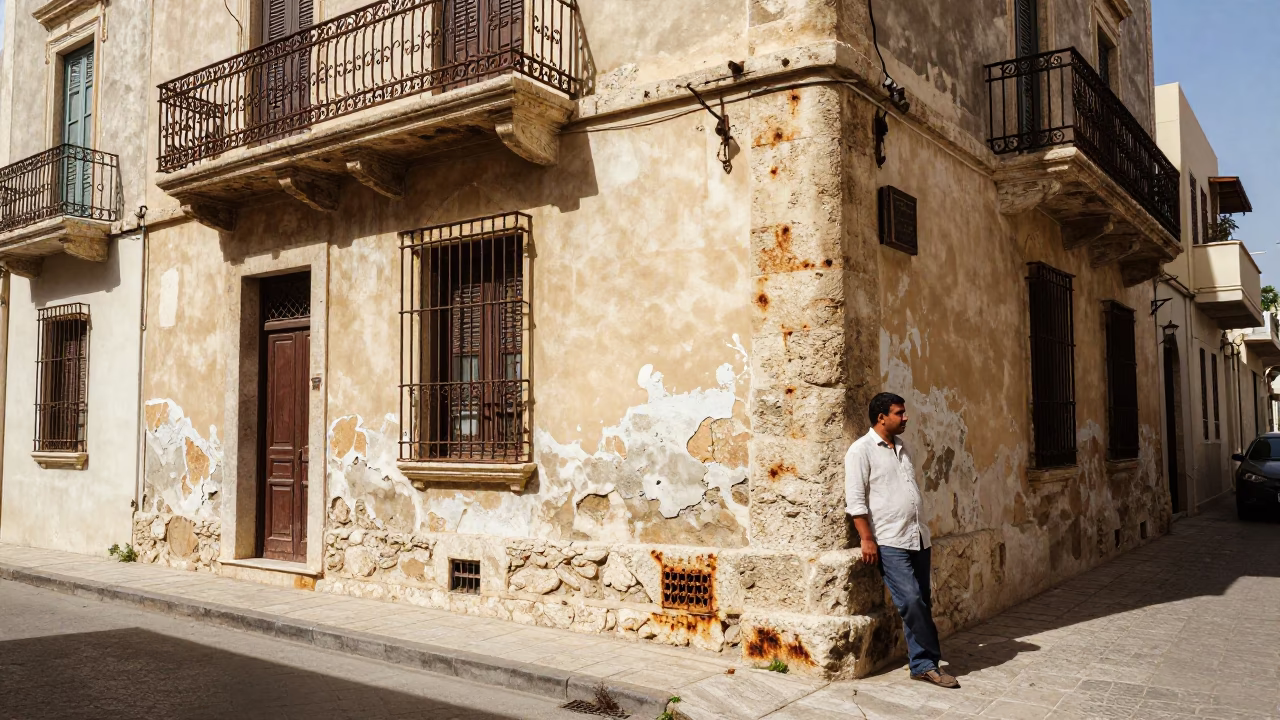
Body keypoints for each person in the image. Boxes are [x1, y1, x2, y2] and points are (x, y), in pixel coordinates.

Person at [845, 392, 958, 689]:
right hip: (890, 539)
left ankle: (921, 663)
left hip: (918, 536)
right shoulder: (861, 451)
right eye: (899, 413)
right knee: (909, 600)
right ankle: (928, 660)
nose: (905, 417)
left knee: (922, 600)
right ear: (881, 417)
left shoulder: (903, 447)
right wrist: (866, 538)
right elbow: (855, 500)